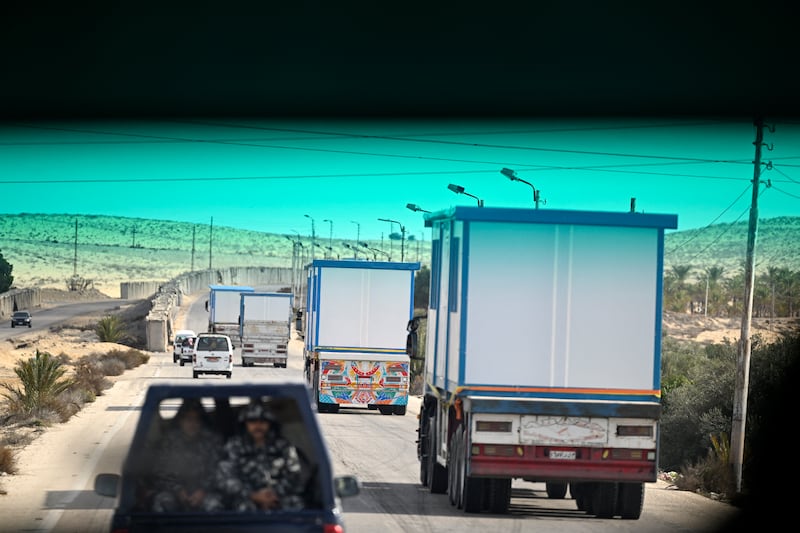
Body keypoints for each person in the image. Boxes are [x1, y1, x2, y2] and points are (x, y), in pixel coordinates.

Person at [214, 399, 305, 511]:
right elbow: (224, 478)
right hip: (245, 498)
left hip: (278, 497)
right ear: (245, 423)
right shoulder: (234, 446)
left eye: (263, 421)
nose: (258, 426)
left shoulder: (282, 446)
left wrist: (273, 494)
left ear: (270, 423)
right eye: (252, 421)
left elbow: (294, 474)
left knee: (296, 505)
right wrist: (253, 495)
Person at [149, 399, 224, 512]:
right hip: (174, 493)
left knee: (215, 505)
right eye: (188, 419)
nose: (192, 424)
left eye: (196, 419)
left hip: (206, 493)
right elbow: (159, 473)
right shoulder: (168, 442)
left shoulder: (213, 441)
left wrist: (203, 490)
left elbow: (220, 471)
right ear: (180, 421)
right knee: (163, 501)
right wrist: (178, 490)